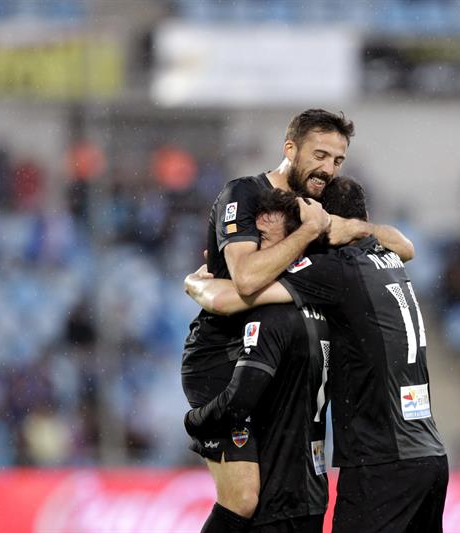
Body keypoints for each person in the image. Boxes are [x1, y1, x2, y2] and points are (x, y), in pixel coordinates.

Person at [181, 109, 414, 532]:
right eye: (320, 155)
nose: (328, 169)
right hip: (225, 355)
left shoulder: (317, 205)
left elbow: (404, 246)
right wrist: (310, 233)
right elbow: (247, 279)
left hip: (284, 357)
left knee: (285, 497)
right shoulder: (244, 194)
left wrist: (352, 227)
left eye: (338, 160)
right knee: (245, 498)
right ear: (290, 149)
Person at [185, 190, 331, 532]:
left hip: (285, 491)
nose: (252, 249)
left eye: (264, 239)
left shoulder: (280, 301)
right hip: (216, 370)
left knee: (247, 498)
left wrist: (196, 421)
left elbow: (241, 395)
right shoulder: (308, 302)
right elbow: (222, 293)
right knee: (243, 499)